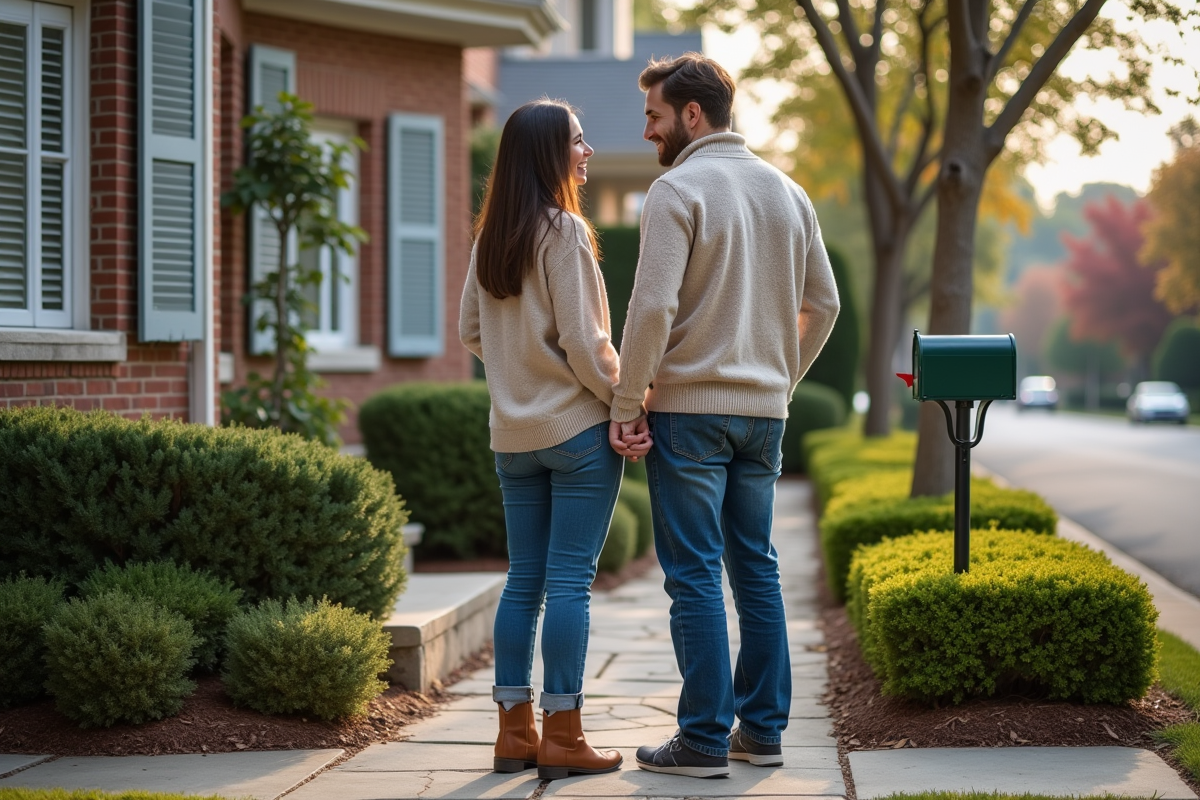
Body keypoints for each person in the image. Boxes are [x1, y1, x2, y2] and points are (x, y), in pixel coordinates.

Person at [608, 54, 841, 777]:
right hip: (764, 417)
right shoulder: (789, 192)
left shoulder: (677, 189)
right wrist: (779, 383)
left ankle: (704, 739)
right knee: (757, 568)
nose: (646, 132)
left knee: (697, 574)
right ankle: (763, 732)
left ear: (691, 114)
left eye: (653, 117)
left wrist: (628, 400)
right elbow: (824, 305)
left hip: (690, 414)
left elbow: (652, 308)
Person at [459, 98, 651, 781]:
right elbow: (586, 342)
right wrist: (628, 403)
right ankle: (564, 736)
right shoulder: (563, 232)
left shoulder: (492, 238)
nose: (588, 150)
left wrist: (519, 377)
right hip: (575, 432)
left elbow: (471, 334)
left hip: (512, 438)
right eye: (577, 140)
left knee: (524, 582)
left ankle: (515, 733)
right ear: (548, 154)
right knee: (569, 581)